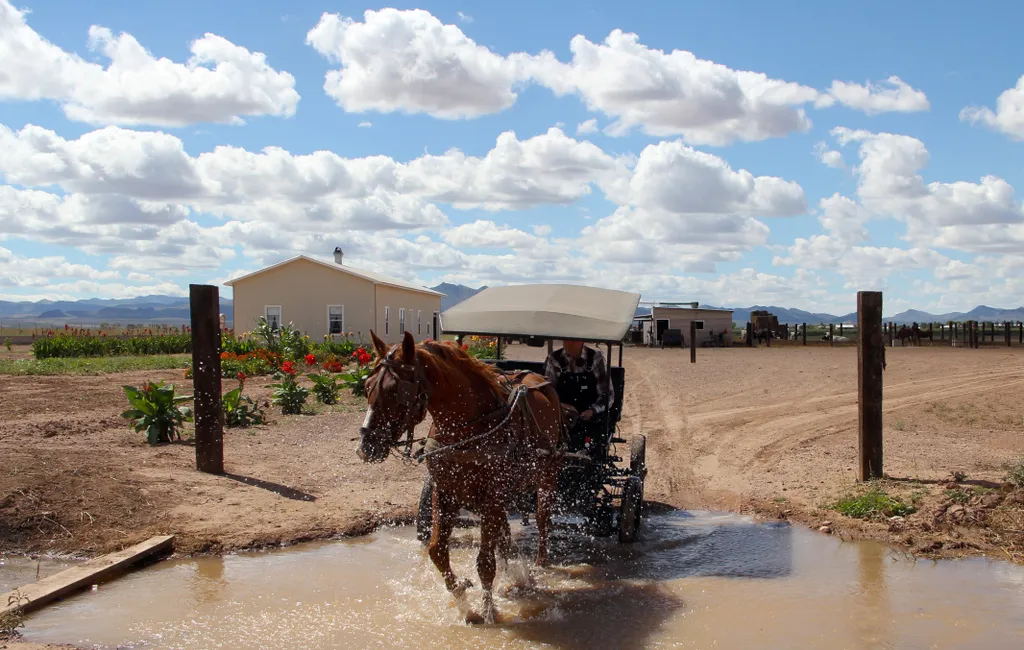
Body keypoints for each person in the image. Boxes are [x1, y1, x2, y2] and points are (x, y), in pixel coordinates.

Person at [544, 339, 615, 454]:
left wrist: (592, 411)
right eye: (565, 339)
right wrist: (561, 407)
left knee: (596, 441)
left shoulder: (595, 358)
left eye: (572, 340)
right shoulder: (554, 359)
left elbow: (607, 394)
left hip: (590, 417)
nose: (568, 343)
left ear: (582, 340)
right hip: (562, 417)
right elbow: (547, 392)